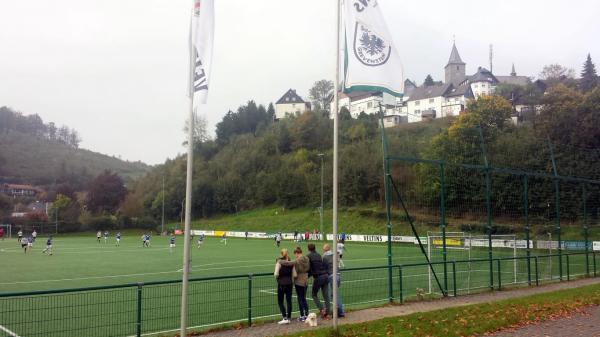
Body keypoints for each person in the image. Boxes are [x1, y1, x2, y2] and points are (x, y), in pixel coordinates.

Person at [279, 246, 310, 321]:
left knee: (300, 298)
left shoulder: (298, 260)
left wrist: (280, 261)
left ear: (297, 253)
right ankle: (307, 314)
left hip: (299, 280)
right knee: (304, 298)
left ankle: (302, 316)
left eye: (295, 254)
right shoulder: (307, 258)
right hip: (305, 279)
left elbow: (289, 263)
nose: (295, 256)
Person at [307, 243, 331, 319]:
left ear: (308, 249)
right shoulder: (319, 255)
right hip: (325, 276)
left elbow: (309, 267)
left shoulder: (308, 256)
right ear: (315, 248)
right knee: (326, 296)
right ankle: (327, 313)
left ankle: (322, 309)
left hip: (318, 277)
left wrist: (307, 276)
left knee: (314, 294)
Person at [323, 244, 345, 317]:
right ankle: (335, 311)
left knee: (335, 295)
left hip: (332, 276)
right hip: (338, 275)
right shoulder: (335, 255)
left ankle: (340, 312)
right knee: (333, 294)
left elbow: (324, 267)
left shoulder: (325, 257)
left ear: (325, 250)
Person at [274, 248, 295, 325]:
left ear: (281, 254)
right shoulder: (291, 263)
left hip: (281, 284)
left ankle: (284, 317)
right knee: (289, 300)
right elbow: (295, 274)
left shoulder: (279, 262)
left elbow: (276, 274)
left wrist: (279, 278)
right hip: (289, 283)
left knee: (280, 301)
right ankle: (289, 317)